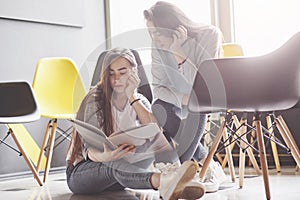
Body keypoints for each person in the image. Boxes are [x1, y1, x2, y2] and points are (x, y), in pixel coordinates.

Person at [66, 47, 205, 199]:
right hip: (85, 173)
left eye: (122, 72)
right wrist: (107, 157)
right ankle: (165, 182)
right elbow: (88, 150)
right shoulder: (94, 99)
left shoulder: (140, 100)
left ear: (133, 72)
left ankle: (172, 178)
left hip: (124, 174)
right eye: (111, 73)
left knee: (162, 136)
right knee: (114, 165)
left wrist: (132, 97)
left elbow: (156, 133)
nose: (116, 79)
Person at [144, 1, 226, 192]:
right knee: (158, 106)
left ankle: (179, 172)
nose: (154, 38)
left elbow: (203, 86)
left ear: (173, 27)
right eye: (150, 33)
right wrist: (184, 99)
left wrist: (179, 53)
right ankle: (200, 164)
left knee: (197, 106)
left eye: (157, 32)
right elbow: (159, 89)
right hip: (179, 101)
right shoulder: (157, 45)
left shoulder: (209, 35)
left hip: (209, 99)